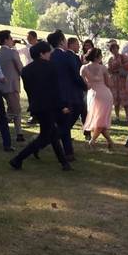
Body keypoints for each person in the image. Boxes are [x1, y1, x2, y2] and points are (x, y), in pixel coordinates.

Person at [9, 41, 71, 171]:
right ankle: (18, 159)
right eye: (48, 52)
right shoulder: (51, 67)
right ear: (42, 53)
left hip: (37, 105)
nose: (50, 55)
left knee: (52, 133)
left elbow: (29, 91)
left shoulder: (26, 70)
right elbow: (56, 89)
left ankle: (64, 163)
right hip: (50, 106)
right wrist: (63, 105)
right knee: (45, 136)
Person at [49, 31, 87, 162]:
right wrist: (85, 86)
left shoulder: (50, 56)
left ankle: (69, 152)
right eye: (65, 40)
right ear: (61, 42)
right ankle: (43, 142)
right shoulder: (67, 56)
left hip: (54, 95)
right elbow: (76, 76)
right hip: (69, 95)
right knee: (65, 124)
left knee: (64, 123)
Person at [0, 30, 25, 143]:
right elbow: (20, 68)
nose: (13, 40)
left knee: (12, 109)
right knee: (16, 110)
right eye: (11, 38)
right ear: (6, 40)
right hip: (12, 85)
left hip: (0, 86)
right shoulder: (13, 53)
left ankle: (19, 133)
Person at [81, 47, 114, 149]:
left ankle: (109, 141)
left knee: (99, 119)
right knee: (100, 119)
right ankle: (93, 140)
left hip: (92, 94)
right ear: (98, 57)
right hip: (104, 93)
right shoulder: (103, 68)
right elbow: (109, 83)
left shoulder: (83, 68)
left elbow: (83, 83)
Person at [106, 42, 128, 120]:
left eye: (115, 48)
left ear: (118, 49)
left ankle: (127, 116)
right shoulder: (110, 59)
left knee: (124, 97)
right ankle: (117, 116)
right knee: (115, 98)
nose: (114, 50)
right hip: (114, 79)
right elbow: (109, 69)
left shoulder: (123, 57)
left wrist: (121, 67)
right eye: (112, 49)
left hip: (122, 79)